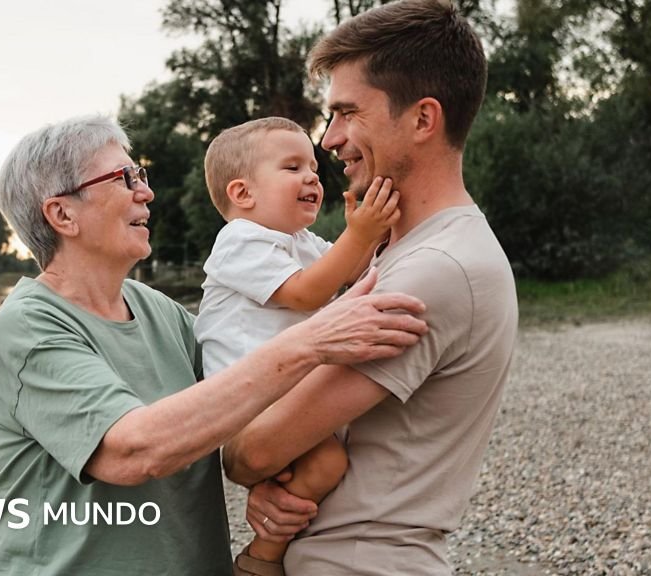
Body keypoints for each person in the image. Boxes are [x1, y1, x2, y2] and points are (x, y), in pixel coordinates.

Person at [0, 115, 430, 575]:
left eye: (141, 176)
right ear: (62, 214)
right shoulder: (30, 325)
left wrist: (274, 477)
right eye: (123, 178)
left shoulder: (157, 311)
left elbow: (231, 402)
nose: (146, 191)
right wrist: (310, 342)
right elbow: (133, 452)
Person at [222, 2, 520, 575]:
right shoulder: (402, 250)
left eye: (346, 113)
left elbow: (253, 450)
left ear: (423, 120)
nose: (329, 139)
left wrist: (258, 463)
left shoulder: (437, 268)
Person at [194, 116, 400, 574]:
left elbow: (347, 272)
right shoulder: (239, 241)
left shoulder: (300, 241)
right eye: (291, 168)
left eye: (311, 165)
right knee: (327, 462)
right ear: (242, 194)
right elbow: (307, 292)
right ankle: (262, 557)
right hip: (249, 403)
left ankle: (292, 538)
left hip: (284, 391)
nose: (311, 175)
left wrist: (364, 239)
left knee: (328, 461)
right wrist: (359, 236)